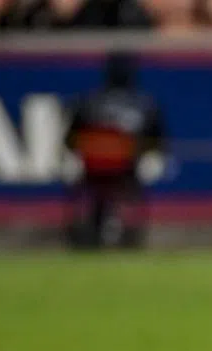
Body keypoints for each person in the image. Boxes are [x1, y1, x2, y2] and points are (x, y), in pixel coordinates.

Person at [63, 51, 165, 248]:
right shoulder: (144, 105)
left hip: (92, 170)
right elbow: (157, 142)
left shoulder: (87, 102)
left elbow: (69, 140)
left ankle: (97, 227)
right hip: (124, 170)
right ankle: (122, 230)